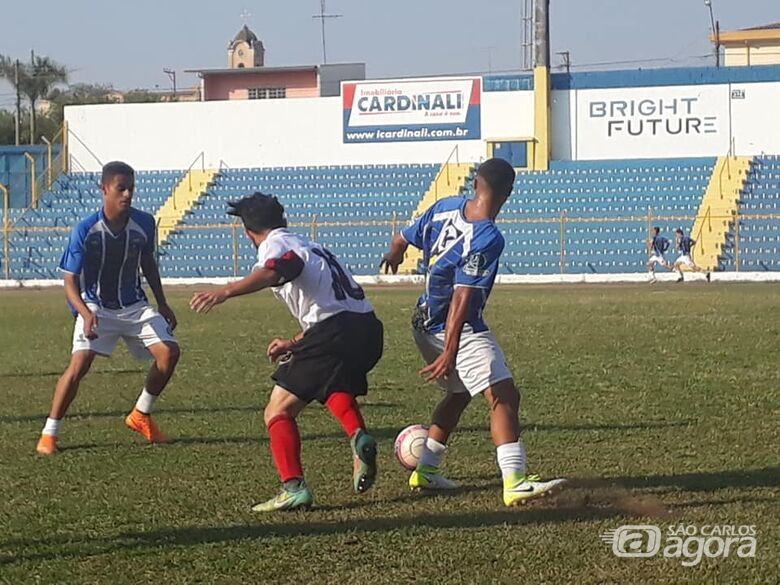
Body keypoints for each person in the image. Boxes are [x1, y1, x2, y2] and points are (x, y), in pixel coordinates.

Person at [380, 158, 566, 507]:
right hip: (455, 326)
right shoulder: (488, 237)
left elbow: (401, 239)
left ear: (476, 182)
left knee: (460, 393)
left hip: (422, 321)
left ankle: (426, 469)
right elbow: (462, 297)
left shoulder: (444, 207)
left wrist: (393, 254)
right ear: (508, 194)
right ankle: (516, 481)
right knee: (504, 396)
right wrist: (451, 350)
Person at [190, 193, 383, 512]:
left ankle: (294, 487)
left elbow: (279, 269)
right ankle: (357, 435)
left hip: (333, 331)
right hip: (367, 329)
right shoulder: (310, 243)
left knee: (277, 411)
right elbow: (330, 305)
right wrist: (296, 343)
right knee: (331, 384)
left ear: (248, 231)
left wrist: (225, 291)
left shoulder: (275, 246)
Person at [36, 161, 180, 456]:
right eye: (121, 188)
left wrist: (162, 302)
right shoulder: (86, 230)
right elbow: (69, 280)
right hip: (96, 306)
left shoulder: (145, 223)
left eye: (131, 188)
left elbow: (148, 263)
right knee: (80, 365)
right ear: (104, 189)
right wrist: (86, 314)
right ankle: (49, 433)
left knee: (170, 352)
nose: (127, 194)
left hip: (135, 306)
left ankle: (141, 414)